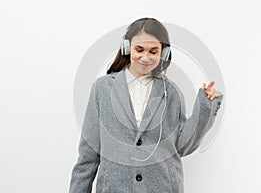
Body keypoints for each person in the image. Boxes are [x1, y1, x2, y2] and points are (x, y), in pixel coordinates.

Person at [69, 17, 223, 193]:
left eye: (153, 51)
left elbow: (182, 146)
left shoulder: (171, 92)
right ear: (127, 48)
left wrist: (206, 106)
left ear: (163, 53)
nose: (146, 57)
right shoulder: (102, 89)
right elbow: (88, 155)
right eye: (139, 49)